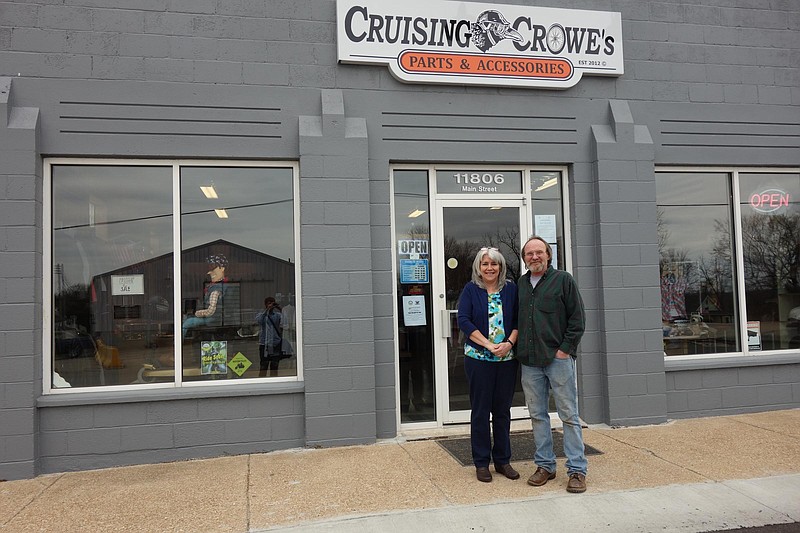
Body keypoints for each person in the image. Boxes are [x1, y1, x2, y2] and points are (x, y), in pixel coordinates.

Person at [516, 236, 588, 494]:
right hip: (530, 362)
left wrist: (564, 351)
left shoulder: (563, 280)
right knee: (537, 416)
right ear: (524, 259)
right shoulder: (521, 284)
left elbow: (577, 320)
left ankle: (577, 469)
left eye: (539, 252)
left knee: (568, 415)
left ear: (548, 255)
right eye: (529, 254)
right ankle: (545, 465)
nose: (534, 257)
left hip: (557, 360)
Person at [457, 247, 519, 483]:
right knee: (481, 412)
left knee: (502, 412)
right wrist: (488, 345)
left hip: (506, 360)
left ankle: (503, 460)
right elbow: (464, 320)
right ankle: (481, 463)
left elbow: (517, 319)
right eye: (485, 264)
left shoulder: (511, 289)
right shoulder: (471, 289)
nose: (490, 268)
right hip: (479, 359)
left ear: (501, 267)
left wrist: (509, 343)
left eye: (494, 264)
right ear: (478, 268)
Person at [181, 254, 228, 339]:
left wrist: (197, 313)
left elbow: (211, 310)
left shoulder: (216, 289)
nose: (209, 273)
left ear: (222, 268)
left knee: (186, 323)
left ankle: (177, 343)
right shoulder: (217, 286)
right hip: (216, 318)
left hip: (213, 319)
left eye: (213, 269)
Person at [256, 296, 283, 377]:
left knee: (274, 366)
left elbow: (286, 320)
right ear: (265, 305)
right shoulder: (262, 315)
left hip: (275, 343)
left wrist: (279, 308)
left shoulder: (277, 315)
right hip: (264, 344)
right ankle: (262, 382)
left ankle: (274, 381)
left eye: (272, 303)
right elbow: (259, 321)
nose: (270, 305)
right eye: (268, 303)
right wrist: (267, 310)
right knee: (264, 366)